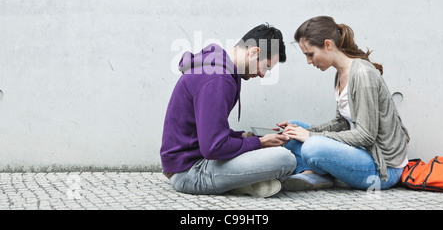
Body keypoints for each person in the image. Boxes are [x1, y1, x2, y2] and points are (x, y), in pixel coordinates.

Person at [160, 24, 296, 197]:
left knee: (269, 148)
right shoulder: (218, 78)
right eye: (266, 67)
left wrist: (245, 137)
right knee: (286, 159)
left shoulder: (216, 68)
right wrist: (260, 143)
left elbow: (208, 134)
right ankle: (242, 184)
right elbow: (214, 147)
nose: (263, 75)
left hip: (186, 163)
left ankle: (243, 186)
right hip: (189, 172)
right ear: (253, 52)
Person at [279, 16, 410, 191]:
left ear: (328, 45)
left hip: (382, 169)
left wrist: (310, 136)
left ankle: (315, 173)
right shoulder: (340, 74)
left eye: (310, 54)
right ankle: (315, 174)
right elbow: (342, 123)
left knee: (312, 146)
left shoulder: (363, 75)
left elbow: (366, 135)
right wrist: (305, 131)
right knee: (292, 129)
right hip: (361, 153)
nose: (309, 61)